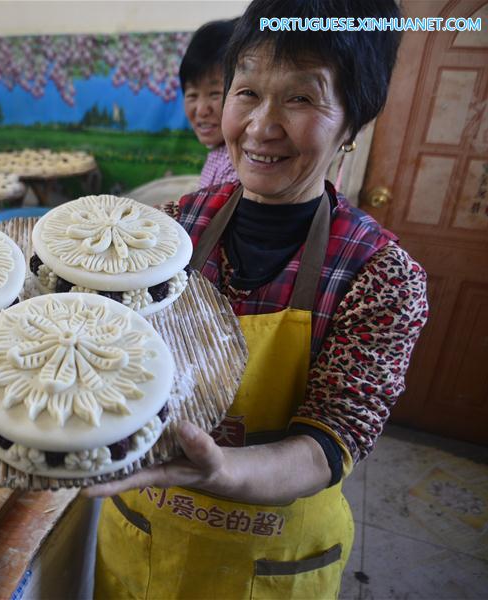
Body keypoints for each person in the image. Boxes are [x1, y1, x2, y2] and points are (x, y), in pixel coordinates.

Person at [90, 0, 429, 598]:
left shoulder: (381, 276)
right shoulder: (166, 230)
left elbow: (331, 442)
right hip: (140, 537)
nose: (261, 126)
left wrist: (222, 469)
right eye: (246, 92)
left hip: (270, 560)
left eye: (301, 98)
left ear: (353, 123)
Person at [180, 18, 239, 188]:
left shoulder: (237, 165)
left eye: (214, 94)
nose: (201, 110)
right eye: (192, 95)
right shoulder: (218, 154)